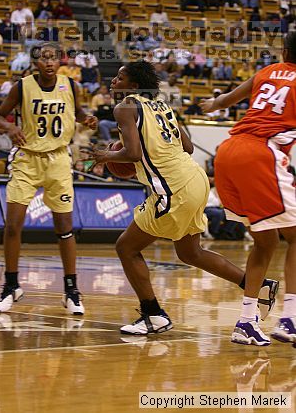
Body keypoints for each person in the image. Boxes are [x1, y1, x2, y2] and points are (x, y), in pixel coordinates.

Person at [86, 60, 278, 335]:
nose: (114, 81)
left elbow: (132, 154)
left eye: (120, 77)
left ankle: (153, 315)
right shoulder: (164, 106)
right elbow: (187, 146)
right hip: (195, 179)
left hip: (172, 186)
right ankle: (258, 286)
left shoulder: (125, 107)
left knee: (126, 248)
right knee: (190, 252)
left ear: (135, 85)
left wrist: (107, 155)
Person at [200, 31, 296, 346]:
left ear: (283, 51)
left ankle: (246, 321)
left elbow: (222, 102)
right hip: (261, 155)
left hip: (227, 152)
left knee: (266, 242)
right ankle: (290, 319)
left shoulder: (266, 73)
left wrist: (210, 104)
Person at [0, 42, 97, 315]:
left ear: (60, 61)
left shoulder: (71, 86)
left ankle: (71, 290)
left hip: (59, 160)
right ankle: (11, 285)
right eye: (44, 58)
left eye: (53, 58)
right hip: (27, 159)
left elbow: (76, 114)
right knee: (13, 225)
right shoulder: (22, 86)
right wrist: (9, 127)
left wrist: (87, 119)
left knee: (64, 226)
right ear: (35, 63)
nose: (49, 63)